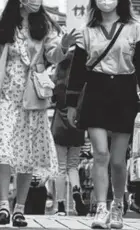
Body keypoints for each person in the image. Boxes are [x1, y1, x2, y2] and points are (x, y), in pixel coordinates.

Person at [0, 0, 81, 227]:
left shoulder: (45, 24)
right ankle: (3, 206)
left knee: (28, 154)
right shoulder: (0, 25)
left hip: (33, 98)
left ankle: (19, 208)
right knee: (3, 151)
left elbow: (53, 55)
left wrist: (63, 47)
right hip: (4, 97)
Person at [65, 0, 140, 229]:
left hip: (124, 93)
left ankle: (118, 205)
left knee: (118, 160)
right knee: (100, 154)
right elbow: (77, 72)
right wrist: (71, 104)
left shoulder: (134, 28)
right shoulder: (86, 32)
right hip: (95, 92)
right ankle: (100, 208)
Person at [51, 51, 88, 216]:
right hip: (77, 127)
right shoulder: (81, 85)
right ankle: (75, 191)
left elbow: (52, 101)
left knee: (60, 167)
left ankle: (60, 207)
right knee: (73, 166)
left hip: (59, 128)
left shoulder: (58, 83)